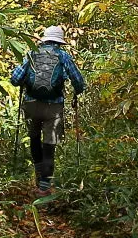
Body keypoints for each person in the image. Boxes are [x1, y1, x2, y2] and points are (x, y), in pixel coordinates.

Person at [10, 25, 85, 193]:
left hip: (31, 104)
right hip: (54, 106)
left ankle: (38, 176)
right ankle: (45, 186)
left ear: (45, 39)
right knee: (49, 144)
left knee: (34, 139)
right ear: (59, 41)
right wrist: (77, 92)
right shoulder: (62, 56)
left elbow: (15, 79)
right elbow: (78, 81)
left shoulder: (31, 54)